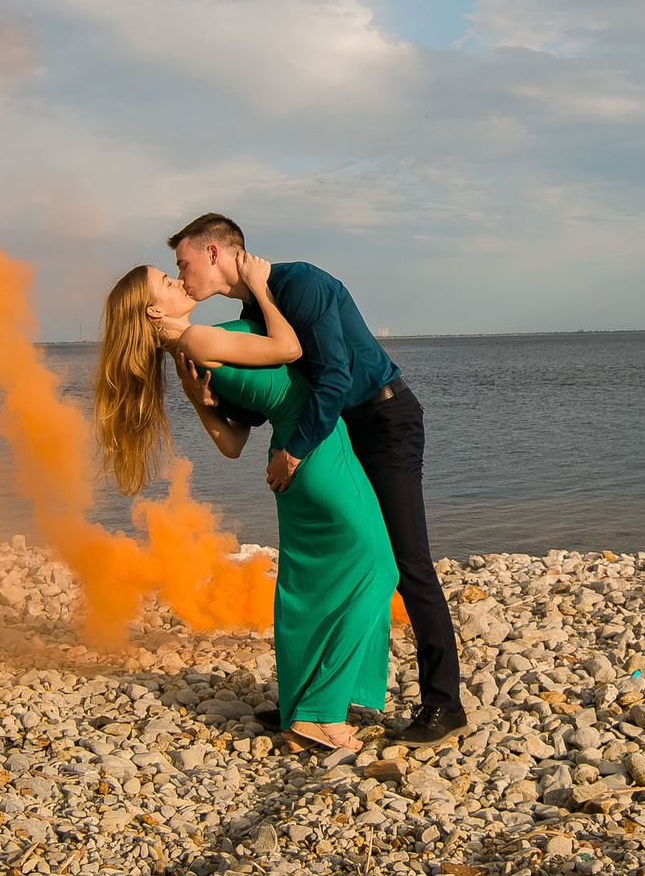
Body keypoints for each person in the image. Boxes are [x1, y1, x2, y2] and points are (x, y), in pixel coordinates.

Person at [161, 214, 468, 745]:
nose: (181, 275)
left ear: (214, 253)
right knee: (329, 561)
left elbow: (333, 377)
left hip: (384, 421)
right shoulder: (255, 308)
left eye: (183, 263)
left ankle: (444, 704)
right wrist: (209, 398)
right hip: (337, 431)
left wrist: (294, 452)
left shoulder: (300, 284)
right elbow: (271, 401)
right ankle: (311, 697)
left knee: (406, 559)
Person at [93, 258, 395, 754]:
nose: (177, 280)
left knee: (310, 583)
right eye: (167, 282)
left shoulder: (185, 351)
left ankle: (305, 712)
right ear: (152, 311)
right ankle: (320, 715)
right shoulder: (197, 340)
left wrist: (198, 400)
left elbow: (232, 445)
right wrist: (257, 283)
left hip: (292, 453)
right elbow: (290, 347)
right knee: (377, 571)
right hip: (314, 454)